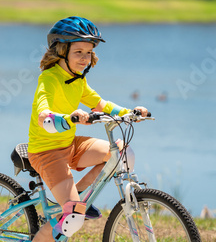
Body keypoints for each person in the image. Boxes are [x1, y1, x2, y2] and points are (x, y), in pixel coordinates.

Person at [28, 16, 148, 241]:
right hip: (46, 152)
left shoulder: (78, 80)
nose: (85, 58)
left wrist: (129, 113)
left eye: (89, 52)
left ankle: (79, 199)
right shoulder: (49, 78)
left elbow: (101, 104)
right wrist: (68, 118)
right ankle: (73, 209)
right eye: (78, 52)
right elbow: (43, 115)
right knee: (73, 220)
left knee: (123, 153)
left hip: (69, 144)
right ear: (62, 50)